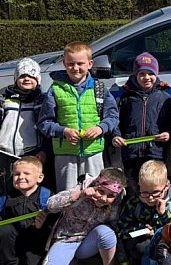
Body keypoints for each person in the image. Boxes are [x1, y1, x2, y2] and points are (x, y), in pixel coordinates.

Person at [38, 41, 119, 192]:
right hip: (65, 154)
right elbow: (44, 122)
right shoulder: (55, 89)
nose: (75, 68)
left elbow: (113, 117)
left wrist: (100, 128)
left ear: (90, 64)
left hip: (93, 152)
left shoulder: (99, 88)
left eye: (80, 63)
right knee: (67, 195)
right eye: (71, 64)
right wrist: (64, 131)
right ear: (64, 64)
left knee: (95, 192)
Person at [39, 168, 127, 265]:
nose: (103, 198)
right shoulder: (81, 188)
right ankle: (69, 261)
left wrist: (122, 260)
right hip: (66, 239)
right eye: (101, 191)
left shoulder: (115, 204)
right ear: (96, 184)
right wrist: (79, 194)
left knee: (107, 232)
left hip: (88, 242)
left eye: (111, 196)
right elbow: (51, 205)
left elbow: (116, 230)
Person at [111, 52, 171, 195]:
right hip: (131, 153)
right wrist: (116, 136)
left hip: (156, 152)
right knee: (133, 188)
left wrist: (168, 133)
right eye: (142, 74)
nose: (146, 77)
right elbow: (117, 121)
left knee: (155, 187)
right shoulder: (127, 98)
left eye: (150, 73)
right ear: (135, 75)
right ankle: (133, 208)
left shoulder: (164, 98)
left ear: (156, 75)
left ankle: (157, 208)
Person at [0, 57, 48, 192]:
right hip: (4, 153)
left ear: (38, 79)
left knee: (28, 186)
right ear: (15, 79)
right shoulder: (4, 100)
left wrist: (44, 150)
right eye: (22, 76)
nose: (27, 79)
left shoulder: (41, 101)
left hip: (30, 153)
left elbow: (46, 129)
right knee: (5, 185)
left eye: (31, 76)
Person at [115, 160, 171, 265]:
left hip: (166, 242)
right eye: (144, 192)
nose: (150, 198)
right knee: (141, 246)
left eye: (155, 192)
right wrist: (141, 229)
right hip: (141, 243)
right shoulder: (133, 203)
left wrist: (163, 214)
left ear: (166, 186)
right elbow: (120, 230)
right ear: (139, 186)